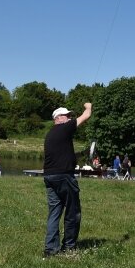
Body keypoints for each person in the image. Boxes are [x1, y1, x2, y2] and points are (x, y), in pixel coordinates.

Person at [42, 103, 92, 258]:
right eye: (67, 116)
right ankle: (69, 246)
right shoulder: (64, 128)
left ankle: (51, 249)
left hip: (50, 177)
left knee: (54, 213)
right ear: (58, 118)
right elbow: (86, 115)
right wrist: (88, 106)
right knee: (72, 211)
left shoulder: (50, 134)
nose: (70, 118)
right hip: (64, 176)